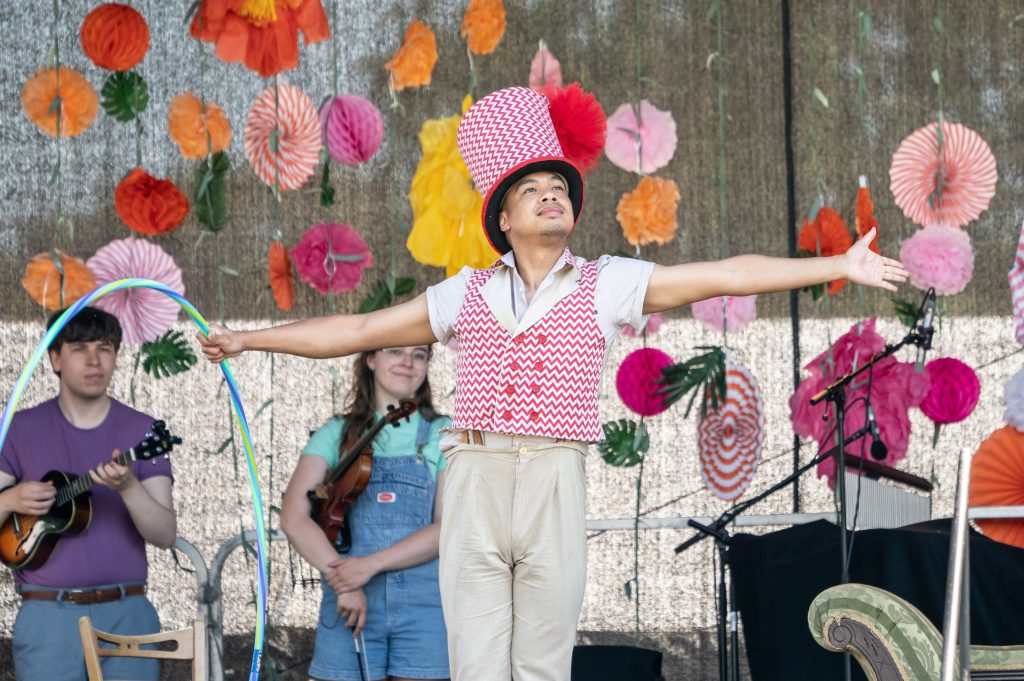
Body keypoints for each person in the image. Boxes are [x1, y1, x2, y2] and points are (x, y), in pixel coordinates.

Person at [199, 87, 909, 681]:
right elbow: (356, 330)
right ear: (503, 219)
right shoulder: (464, 292)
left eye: (559, 188)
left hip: (554, 477)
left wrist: (837, 266)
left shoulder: (607, 282)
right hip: (475, 476)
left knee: (542, 665)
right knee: (476, 666)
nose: (550, 196)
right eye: (531, 190)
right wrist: (247, 339)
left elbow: (724, 274)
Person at [0, 306, 176, 681]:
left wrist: (128, 488)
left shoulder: (145, 431)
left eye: (105, 348)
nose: (94, 360)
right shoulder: (18, 428)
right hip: (47, 616)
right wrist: (11, 500)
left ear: (116, 357)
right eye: (79, 348)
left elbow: (164, 534)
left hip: (128, 613)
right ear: (55, 358)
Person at [280, 345, 451, 681]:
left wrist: (369, 566)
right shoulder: (337, 432)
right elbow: (293, 517)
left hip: (424, 608)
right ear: (370, 359)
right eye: (395, 352)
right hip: (348, 604)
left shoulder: (443, 433)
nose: (407, 362)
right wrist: (343, 582)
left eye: (419, 354)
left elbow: (447, 528)